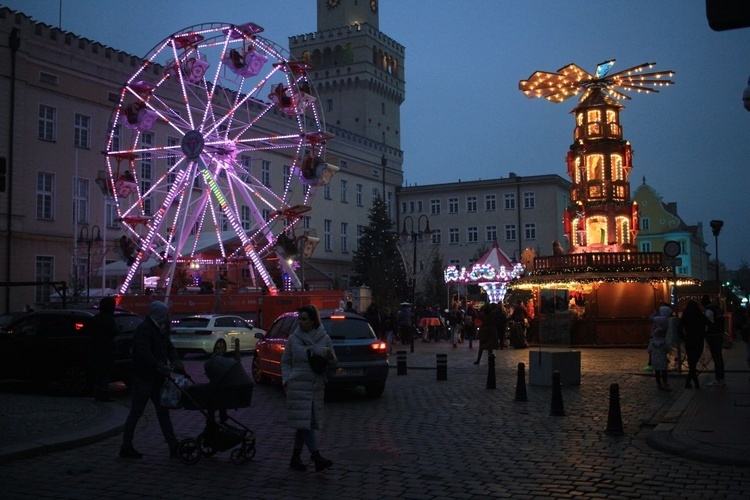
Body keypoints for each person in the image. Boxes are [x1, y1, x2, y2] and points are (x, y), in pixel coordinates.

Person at [120, 301, 184, 459]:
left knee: (163, 411)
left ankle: (173, 445)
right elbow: (143, 353)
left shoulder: (159, 328)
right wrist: (159, 364)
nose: (168, 317)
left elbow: (168, 347)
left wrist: (175, 361)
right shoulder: (145, 330)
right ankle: (126, 446)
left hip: (156, 377)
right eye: (166, 314)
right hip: (144, 377)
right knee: (137, 412)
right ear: (161, 314)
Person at [282, 304, 337, 472]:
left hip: (316, 385)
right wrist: (287, 379)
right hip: (298, 385)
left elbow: (333, 359)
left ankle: (295, 458)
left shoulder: (324, 337)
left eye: (304, 319)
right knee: (307, 424)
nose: (300, 322)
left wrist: (322, 354)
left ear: (313, 321)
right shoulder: (294, 338)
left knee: (303, 424)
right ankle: (316, 456)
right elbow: (286, 361)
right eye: (299, 319)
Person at [87, 296, 119, 402]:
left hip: (95, 349)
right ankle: (103, 393)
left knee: (98, 372)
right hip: (106, 350)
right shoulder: (109, 320)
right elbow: (114, 332)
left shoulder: (95, 318)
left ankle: (98, 392)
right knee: (105, 373)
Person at [677, 300, 707, 389]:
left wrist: (683, 337)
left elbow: (679, 328)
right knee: (694, 362)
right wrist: (704, 334)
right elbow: (709, 324)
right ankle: (693, 382)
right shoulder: (700, 315)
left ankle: (691, 382)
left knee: (691, 362)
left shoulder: (686, 315)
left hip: (689, 340)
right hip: (699, 340)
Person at [701, 295, 726, 387]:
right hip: (719, 334)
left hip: (713, 336)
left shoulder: (709, 311)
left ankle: (719, 379)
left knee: (716, 358)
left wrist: (705, 333)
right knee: (719, 357)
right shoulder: (718, 309)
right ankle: (721, 378)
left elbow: (709, 324)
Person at [647, 326, 671, 391]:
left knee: (657, 373)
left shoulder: (652, 343)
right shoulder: (664, 342)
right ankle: (665, 383)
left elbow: (649, 350)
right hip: (663, 359)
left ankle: (659, 384)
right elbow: (668, 349)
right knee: (664, 372)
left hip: (655, 359)